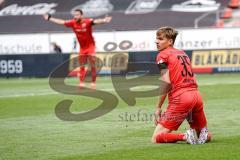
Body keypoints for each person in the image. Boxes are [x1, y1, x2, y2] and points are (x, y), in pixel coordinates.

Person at [152, 27, 211, 144]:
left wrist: (158, 107)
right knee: (204, 136)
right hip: (196, 96)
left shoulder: (163, 55)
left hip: (181, 98)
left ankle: (185, 136)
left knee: (156, 138)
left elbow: (166, 82)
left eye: (160, 39)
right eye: (156, 39)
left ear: (170, 41)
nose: (156, 41)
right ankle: (200, 135)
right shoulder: (183, 54)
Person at [43, 9, 112, 89]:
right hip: (82, 48)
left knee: (92, 64)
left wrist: (104, 20)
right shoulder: (73, 23)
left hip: (90, 47)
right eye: (75, 15)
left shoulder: (87, 22)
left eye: (77, 15)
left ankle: (93, 83)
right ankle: (81, 83)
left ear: (81, 15)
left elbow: (96, 21)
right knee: (82, 66)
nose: (75, 16)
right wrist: (49, 18)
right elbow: (62, 22)